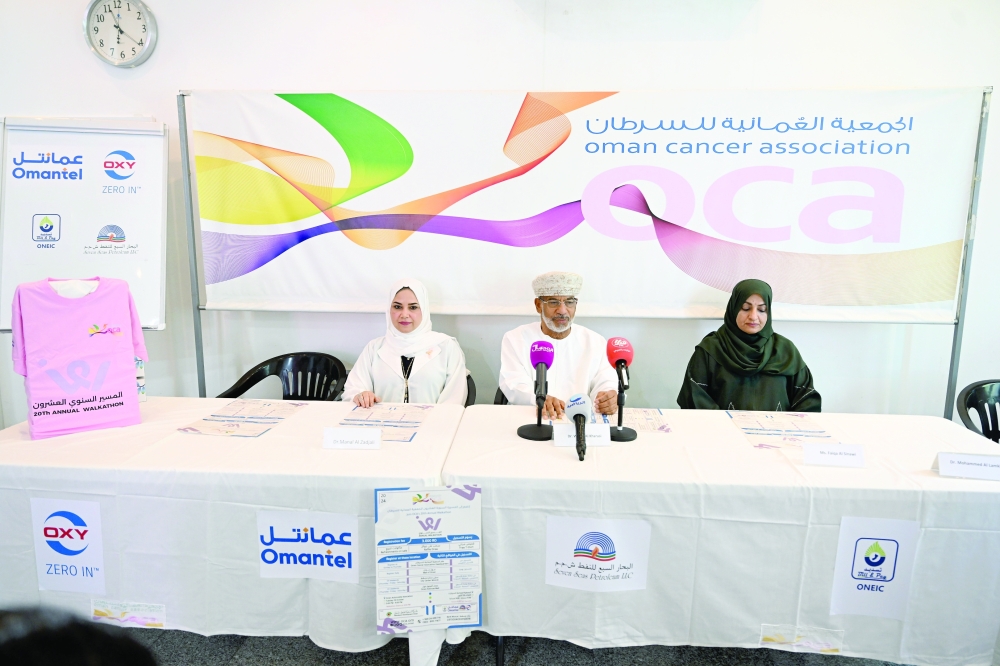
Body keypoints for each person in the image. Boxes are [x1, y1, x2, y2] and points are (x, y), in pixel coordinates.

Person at [677, 278, 820, 411]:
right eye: (745, 308)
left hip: (776, 436)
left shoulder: (785, 350)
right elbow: (694, 398)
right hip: (723, 435)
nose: (753, 316)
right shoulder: (711, 349)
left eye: (761, 310)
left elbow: (806, 401)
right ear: (733, 309)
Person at [499, 271, 618, 419]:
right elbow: (513, 383)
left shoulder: (595, 341)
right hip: (531, 418)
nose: (562, 310)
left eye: (569, 302)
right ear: (538, 305)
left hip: (578, 421)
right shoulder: (516, 338)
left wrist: (607, 396)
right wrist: (539, 399)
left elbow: (606, 381)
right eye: (553, 302)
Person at [342, 279, 468, 406]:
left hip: (432, 423)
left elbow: (454, 400)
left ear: (424, 309)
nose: (404, 314)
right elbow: (352, 390)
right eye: (397, 307)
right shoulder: (374, 348)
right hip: (381, 423)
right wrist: (360, 395)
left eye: (413, 307)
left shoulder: (446, 347)